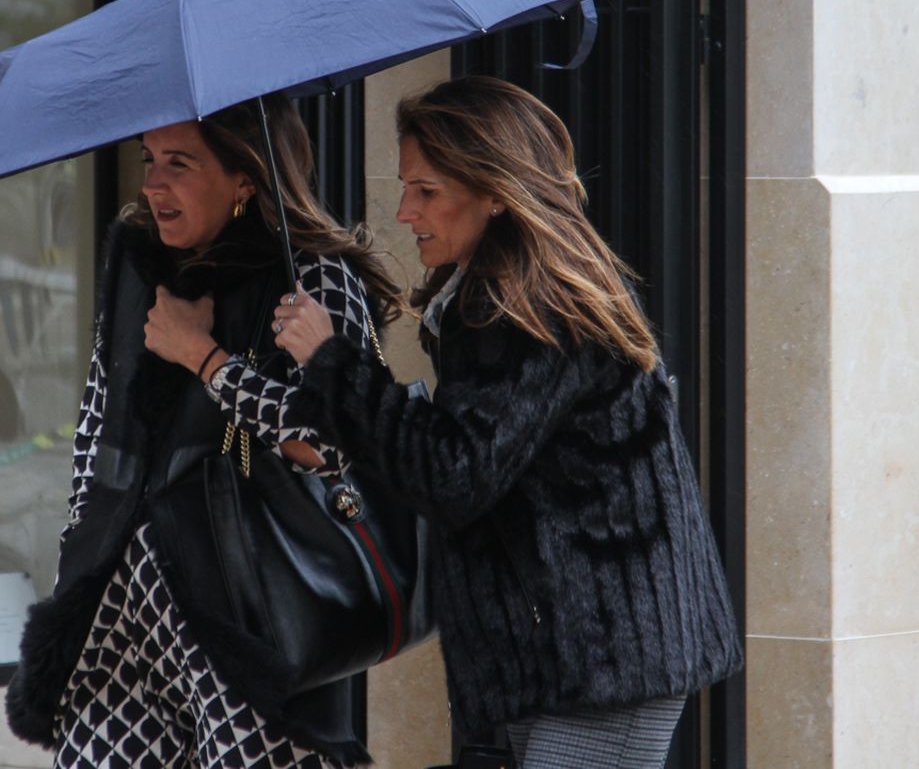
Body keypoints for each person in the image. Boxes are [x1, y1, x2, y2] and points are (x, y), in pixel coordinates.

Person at [271, 76, 743, 769]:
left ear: (494, 190)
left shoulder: (524, 305)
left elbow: (455, 471)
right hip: (575, 651)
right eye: (406, 186)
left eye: (427, 190)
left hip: (602, 655)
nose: (405, 211)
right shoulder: (504, 294)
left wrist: (332, 362)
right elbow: (483, 451)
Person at [5, 94, 404, 769]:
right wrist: (79, 552)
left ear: (246, 176)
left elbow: (331, 442)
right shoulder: (138, 267)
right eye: (149, 160)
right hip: (121, 609)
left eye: (180, 163)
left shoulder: (312, 277)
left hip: (247, 610)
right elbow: (98, 425)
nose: (153, 184)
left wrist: (204, 359)